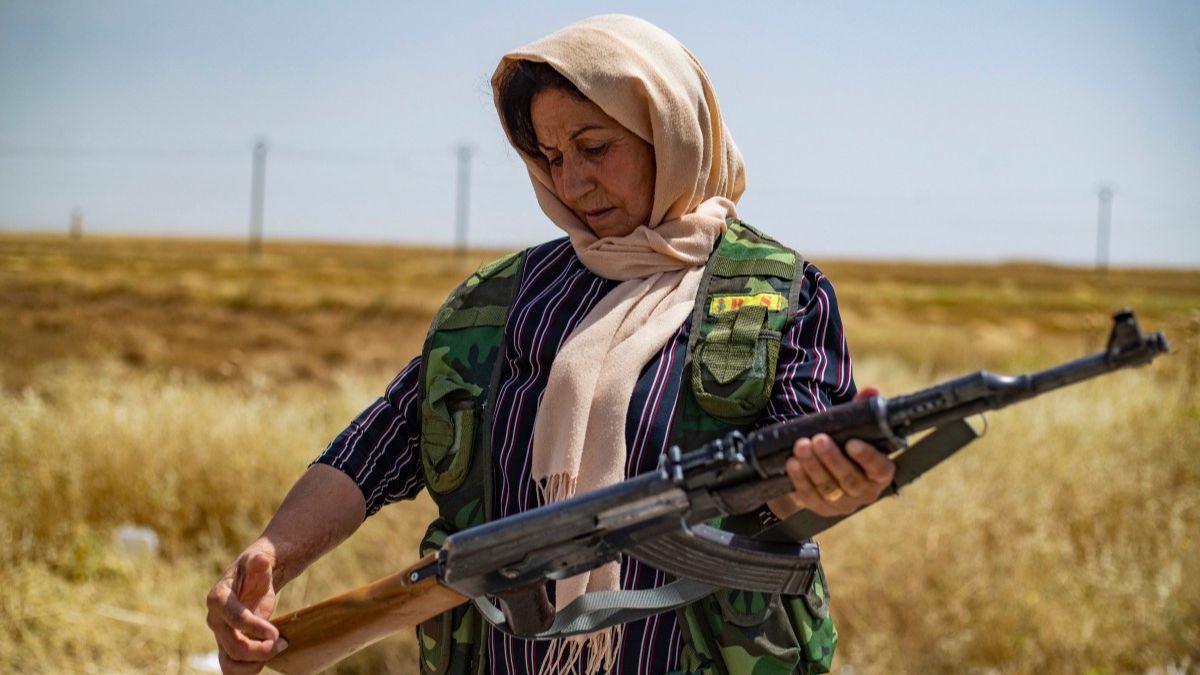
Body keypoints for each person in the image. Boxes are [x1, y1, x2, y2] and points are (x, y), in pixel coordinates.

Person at [205, 15, 896, 675]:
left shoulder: (779, 293)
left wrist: (840, 483)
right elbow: (386, 441)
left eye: (595, 148)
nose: (570, 183)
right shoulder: (500, 299)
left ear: (671, 127)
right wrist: (272, 554)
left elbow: (796, 482)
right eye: (551, 155)